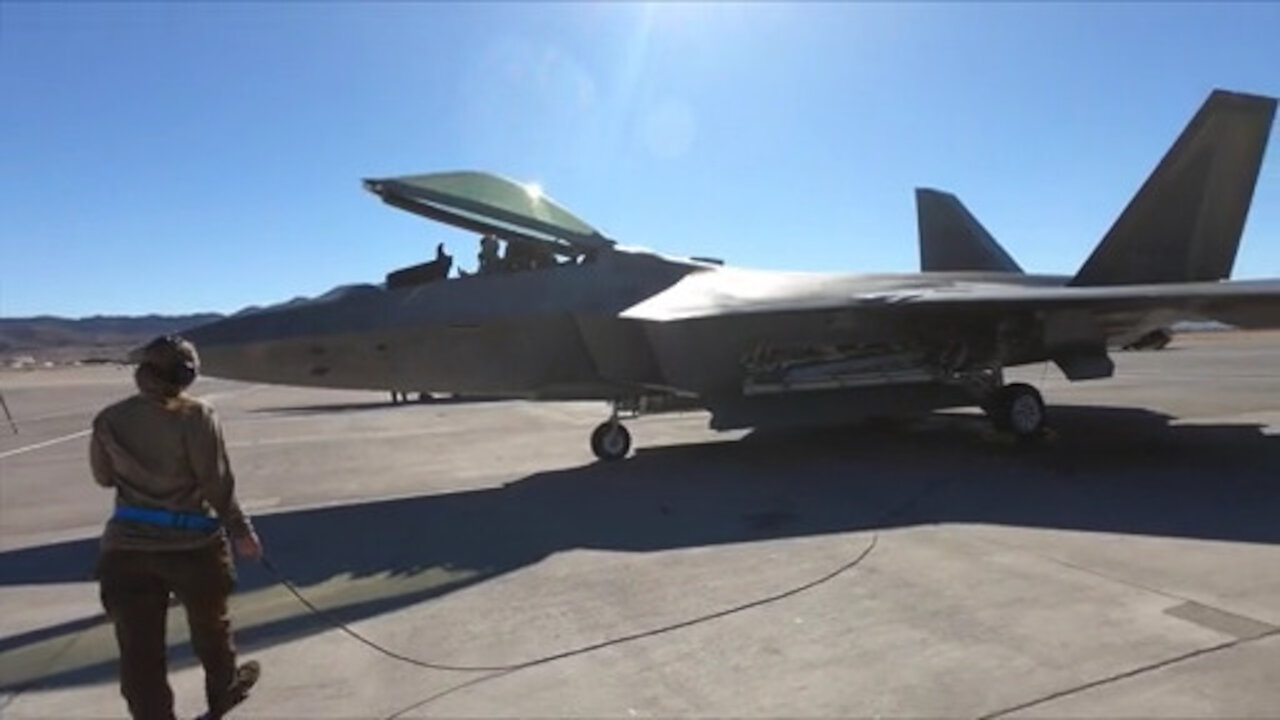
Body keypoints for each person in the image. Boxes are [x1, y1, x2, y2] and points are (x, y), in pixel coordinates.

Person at [91, 335, 263, 720]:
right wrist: (241, 530)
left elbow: (103, 478)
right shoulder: (197, 416)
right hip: (193, 547)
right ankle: (223, 693)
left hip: (126, 550)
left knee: (139, 651)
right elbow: (216, 484)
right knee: (211, 631)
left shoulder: (109, 419)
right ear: (187, 374)